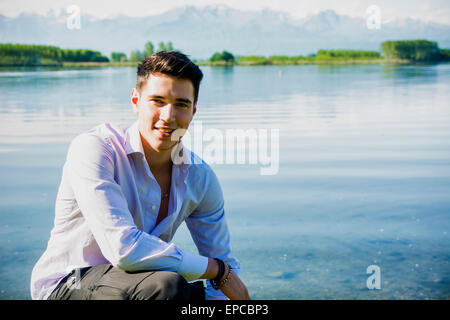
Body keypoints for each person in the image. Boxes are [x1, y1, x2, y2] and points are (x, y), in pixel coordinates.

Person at [30, 51, 250, 300]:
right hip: (70, 284)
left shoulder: (200, 177)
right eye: (157, 101)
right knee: (166, 287)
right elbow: (123, 249)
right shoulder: (95, 149)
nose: (168, 117)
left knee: (194, 296)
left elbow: (227, 270)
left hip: (142, 284)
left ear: (194, 111)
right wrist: (214, 269)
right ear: (135, 101)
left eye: (181, 104)